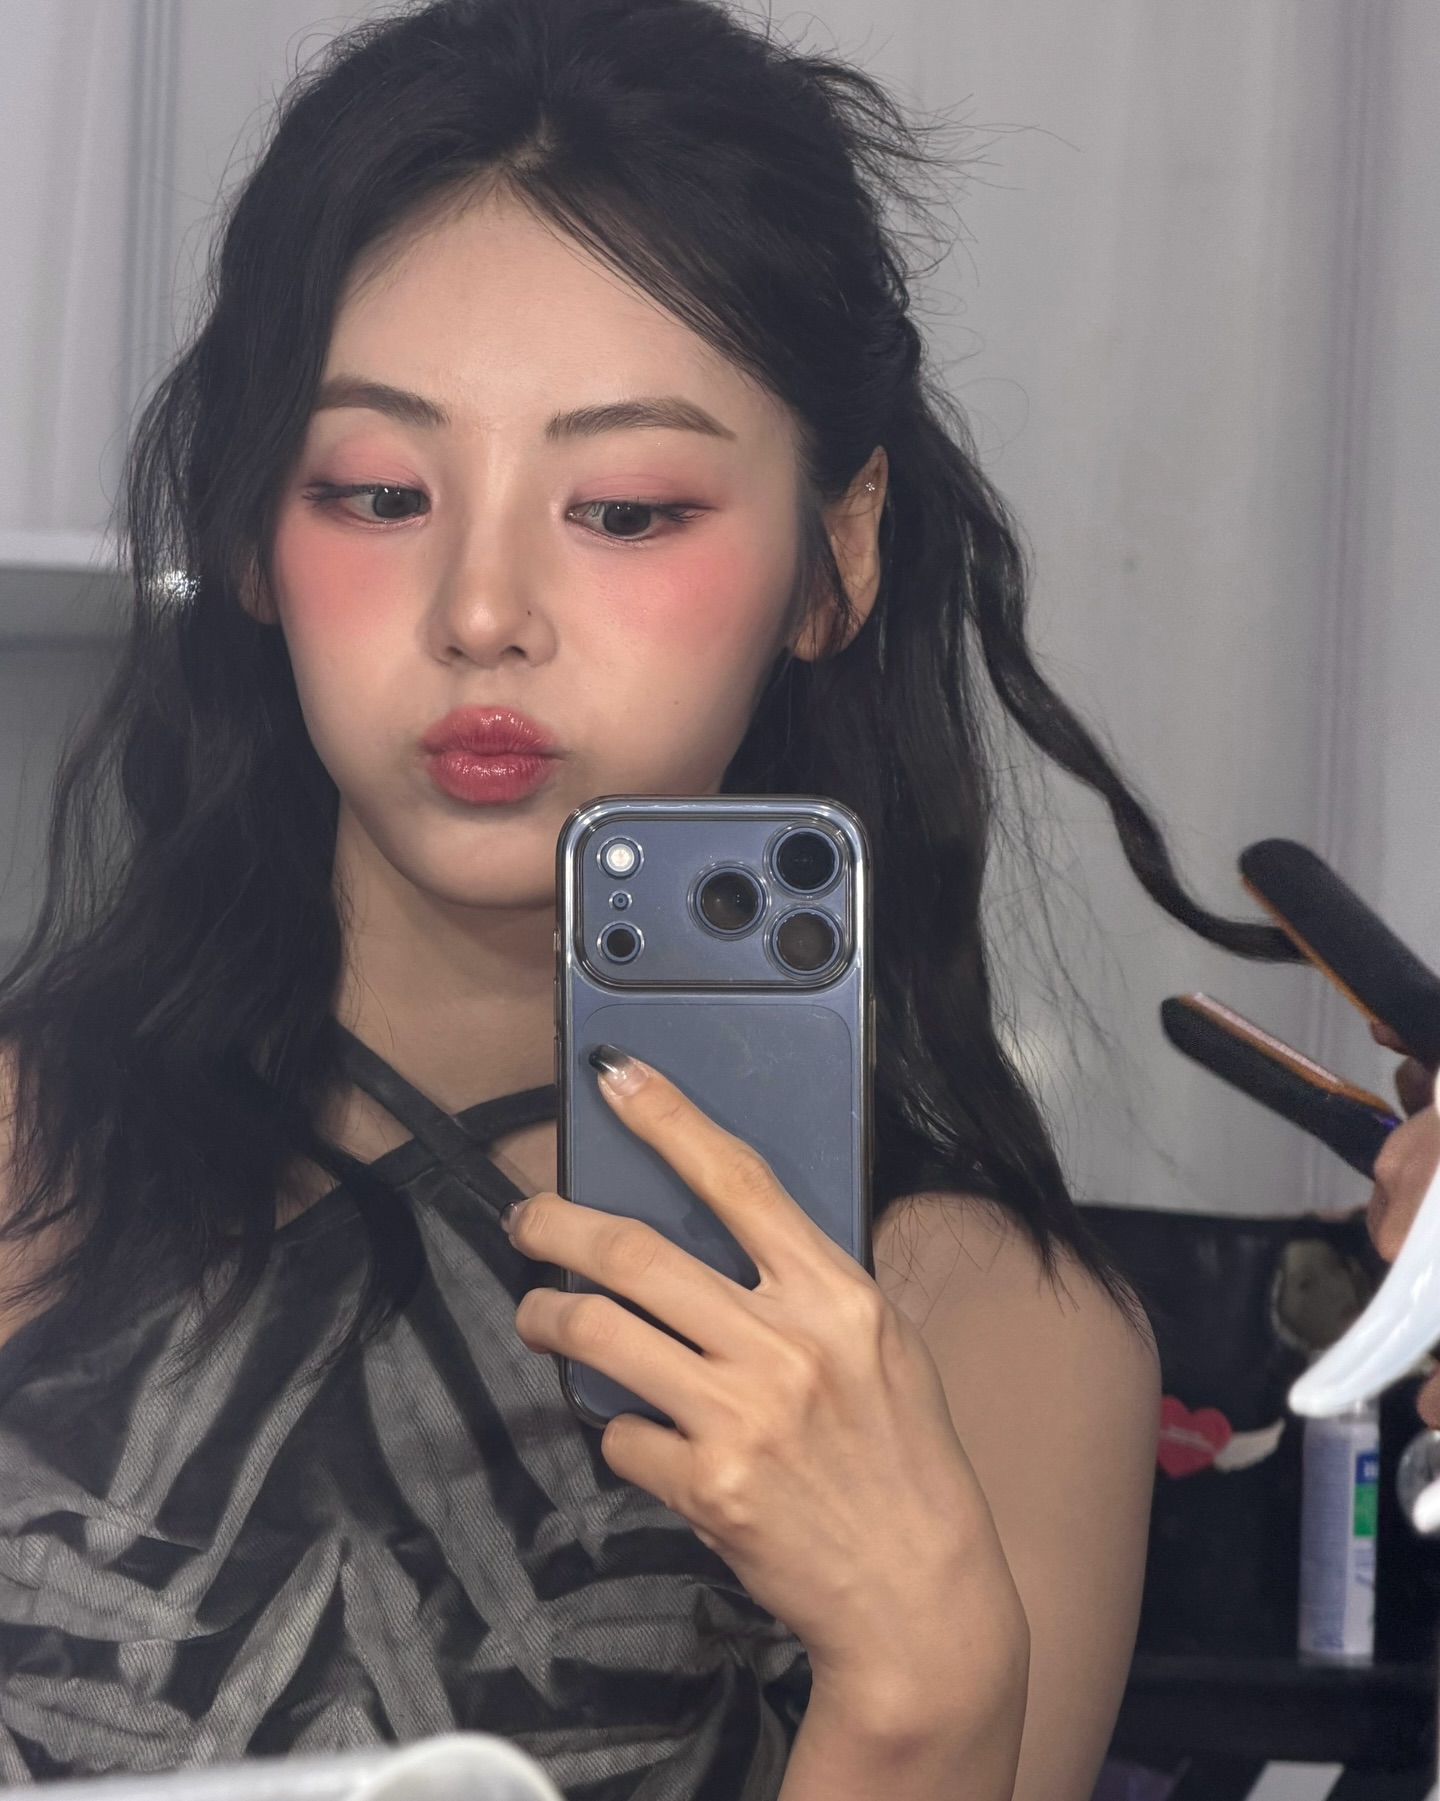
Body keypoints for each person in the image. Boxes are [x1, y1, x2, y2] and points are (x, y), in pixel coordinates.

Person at [0, 2, 1289, 1794]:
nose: (482, 610)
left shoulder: (992, 1334)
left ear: (835, 557)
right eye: (376, 490)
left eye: (623, 508)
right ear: (248, 531)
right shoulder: (27, 1156)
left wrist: (925, 1678)